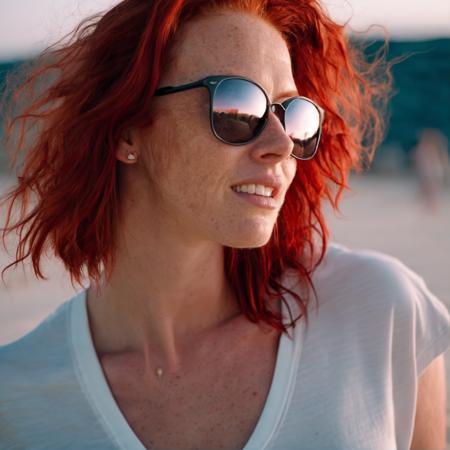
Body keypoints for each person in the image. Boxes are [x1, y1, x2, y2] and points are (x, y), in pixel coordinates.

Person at [1, 0, 449, 449]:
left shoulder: (380, 314)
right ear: (126, 130)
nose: (280, 144)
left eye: (292, 113)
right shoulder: (16, 404)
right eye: (239, 107)